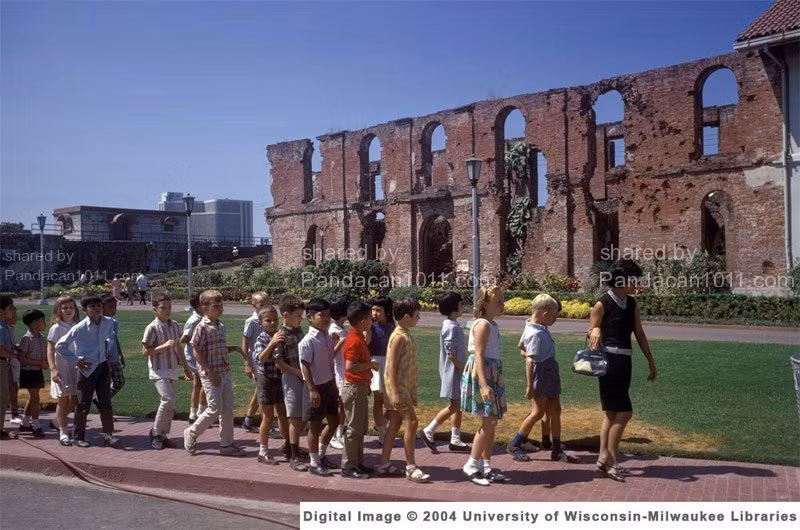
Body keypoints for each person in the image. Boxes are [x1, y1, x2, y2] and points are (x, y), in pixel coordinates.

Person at [588, 259, 657, 482]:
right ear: (622, 280)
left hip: (625, 362)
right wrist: (595, 330)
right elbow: (592, 330)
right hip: (608, 362)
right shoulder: (602, 304)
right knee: (624, 412)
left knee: (611, 413)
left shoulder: (632, 303)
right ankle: (611, 460)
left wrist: (650, 359)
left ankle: (602, 458)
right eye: (633, 280)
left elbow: (639, 333)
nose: (636, 285)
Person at [507, 294, 577, 464]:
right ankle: (515, 444)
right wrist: (530, 385)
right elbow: (530, 360)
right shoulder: (536, 334)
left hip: (549, 369)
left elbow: (521, 346)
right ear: (545, 314)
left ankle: (556, 448)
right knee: (538, 412)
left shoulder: (536, 326)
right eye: (554, 316)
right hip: (542, 372)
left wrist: (530, 354)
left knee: (555, 409)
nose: (555, 319)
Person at [183, 290, 251, 457]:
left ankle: (226, 444)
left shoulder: (220, 325)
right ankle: (191, 432)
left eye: (221, 305)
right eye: (216, 306)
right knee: (214, 408)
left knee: (227, 409)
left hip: (224, 371)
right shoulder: (202, 327)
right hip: (211, 373)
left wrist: (232, 351)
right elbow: (196, 351)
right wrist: (208, 370)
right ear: (204, 307)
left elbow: (217, 348)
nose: (220, 308)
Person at [377, 298, 430, 482]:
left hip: (403, 387)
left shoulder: (404, 333)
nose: (419, 318)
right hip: (398, 388)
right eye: (417, 315)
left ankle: (384, 463)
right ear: (407, 317)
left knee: (394, 425)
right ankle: (411, 466)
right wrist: (397, 393)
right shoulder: (399, 336)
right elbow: (390, 367)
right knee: (412, 422)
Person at [55, 295, 119, 448]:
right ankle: (78, 437)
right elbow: (60, 346)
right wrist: (76, 360)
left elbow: (110, 337)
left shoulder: (108, 322)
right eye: (92, 306)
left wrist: (108, 348)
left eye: (99, 305)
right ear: (84, 310)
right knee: (83, 404)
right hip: (87, 370)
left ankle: (109, 435)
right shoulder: (80, 327)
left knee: (106, 403)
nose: (97, 308)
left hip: (103, 366)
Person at [461, 286, 508, 486]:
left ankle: (486, 466)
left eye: (502, 300)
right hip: (483, 373)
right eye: (497, 301)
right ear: (485, 303)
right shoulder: (483, 325)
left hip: (493, 371)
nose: (501, 304)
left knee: (492, 422)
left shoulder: (493, 324)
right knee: (488, 421)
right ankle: (472, 464)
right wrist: (483, 384)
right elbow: (478, 354)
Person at [421, 291, 470, 453]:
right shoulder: (451, 328)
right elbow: (451, 354)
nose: (463, 306)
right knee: (454, 405)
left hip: (456, 371)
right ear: (454, 308)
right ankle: (429, 430)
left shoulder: (453, 325)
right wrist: (463, 368)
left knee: (458, 405)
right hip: (454, 373)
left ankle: (455, 438)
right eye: (461, 304)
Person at [142, 294, 192, 449]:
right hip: (158, 369)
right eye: (163, 308)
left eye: (169, 307)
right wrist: (163, 347)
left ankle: (163, 435)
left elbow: (178, 347)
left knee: (172, 403)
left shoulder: (175, 325)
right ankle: (155, 432)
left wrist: (185, 367)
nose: (167, 310)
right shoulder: (152, 327)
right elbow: (145, 351)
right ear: (155, 310)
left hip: (171, 368)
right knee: (167, 399)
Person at [299, 298, 340, 476]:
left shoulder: (327, 337)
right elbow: (305, 366)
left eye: (328, 315)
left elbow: (331, 360)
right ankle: (314, 462)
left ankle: (322, 455)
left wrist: (334, 384)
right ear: (309, 318)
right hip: (317, 387)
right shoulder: (308, 341)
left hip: (329, 384)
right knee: (315, 426)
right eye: (321, 315)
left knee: (334, 421)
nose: (326, 319)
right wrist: (312, 389)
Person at [340, 301, 378, 479]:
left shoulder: (359, 336)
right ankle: (348, 465)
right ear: (363, 321)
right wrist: (370, 365)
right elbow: (350, 366)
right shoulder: (354, 340)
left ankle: (358, 462)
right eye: (370, 317)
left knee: (360, 428)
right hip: (354, 388)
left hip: (360, 387)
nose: (373, 320)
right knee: (353, 430)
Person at [272, 294, 308, 471]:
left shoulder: (299, 331)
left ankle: (290, 445)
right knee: (294, 417)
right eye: (298, 315)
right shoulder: (281, 335)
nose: (300, 319)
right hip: (291, 377)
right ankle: (294, 455)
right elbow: (279, 363)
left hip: (302, 376)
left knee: (302, 415)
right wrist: (297, 373)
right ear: (286, 315)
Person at [253, 306, 289, 464]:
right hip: (266, 379)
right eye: (268, 321)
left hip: (280, 378)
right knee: (267, 416)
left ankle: (288, 444)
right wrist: (272, 343)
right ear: (261, 323)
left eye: (275, 320)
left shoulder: (281, 335)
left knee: (283, 413)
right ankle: (263, 450)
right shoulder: (261, 338)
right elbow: (260, 358)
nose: (272, 323)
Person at [46, 296, 80, 445]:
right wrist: (53, 369)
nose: (68, 310)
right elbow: (50, 349)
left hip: (76, 367)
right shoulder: (56, 328)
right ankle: (63, 432)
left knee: (75, 399)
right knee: (63, 399)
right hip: (61, 367)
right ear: (58, 310)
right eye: (64, 308)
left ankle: (56, 420)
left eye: (71, 307)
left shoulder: (78, 326)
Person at [366, 296, 394, 444]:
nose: (375, 313)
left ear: (387, 312)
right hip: (376, 363)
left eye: (378, 310)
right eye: (373, 310)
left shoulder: (392, 327)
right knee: (379, 399)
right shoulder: (370, 327)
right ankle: (383, 434)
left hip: (389, 364)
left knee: (392, 400)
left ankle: (380, 424)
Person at [242, 292, 270, 433]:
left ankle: (248, 419)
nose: (265, 306)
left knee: (260, 391)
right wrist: (247, 363)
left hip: (267, 360)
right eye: (261, 304)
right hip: (256, 361)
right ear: (254, 305)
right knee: (264, 392)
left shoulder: (268, 320)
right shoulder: (251, 321)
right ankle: (265, 422)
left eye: (267, 303)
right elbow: (245, 343)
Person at [17, 310, 48, 437]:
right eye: (42, 321)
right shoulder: (26, 339)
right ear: (34, 323)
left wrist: (45, 362)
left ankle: (25, 423)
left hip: (37, 371)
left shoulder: (42, 338)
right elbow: (22, 358)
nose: (44, 324)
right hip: (28, 372)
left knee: (33, 397)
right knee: (36, 398)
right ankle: (36, 425)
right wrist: (39, 362)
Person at [181, 293, 207, 421]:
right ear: (198, 306)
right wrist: (195, 340)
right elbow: (184, 338)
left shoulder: (203, 318)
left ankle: (198, 411)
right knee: (199, 383)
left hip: (201, 354)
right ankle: (195, 412)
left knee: (202, 383)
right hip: (193, 355)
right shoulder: (194, 320)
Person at [327, 298, 349, 450]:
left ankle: (340, 432)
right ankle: (335, 434)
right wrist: (342, 341)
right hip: (338, 369)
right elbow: (331, 354)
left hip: (345, 369)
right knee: (340, 403)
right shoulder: (333, 330)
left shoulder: (343, 328)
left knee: (344, 404)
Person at [100, 295, 125, 401]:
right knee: (104, 384)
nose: (113, 309)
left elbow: (115, 339)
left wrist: (121, 354)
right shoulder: (98, 323)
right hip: (103, 359)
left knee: (120, 381)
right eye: (110, 307)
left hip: (114, 358)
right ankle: (104, 406)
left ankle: (101, 400)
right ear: (102, 307)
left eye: (114, 307)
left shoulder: (114, 322)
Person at [0, 296, 18, 439]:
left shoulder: (5, 325)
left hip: (4, 363)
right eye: (10, 308)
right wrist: (15, 356)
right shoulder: (0, 327)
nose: (13, 311)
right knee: (2, 397)